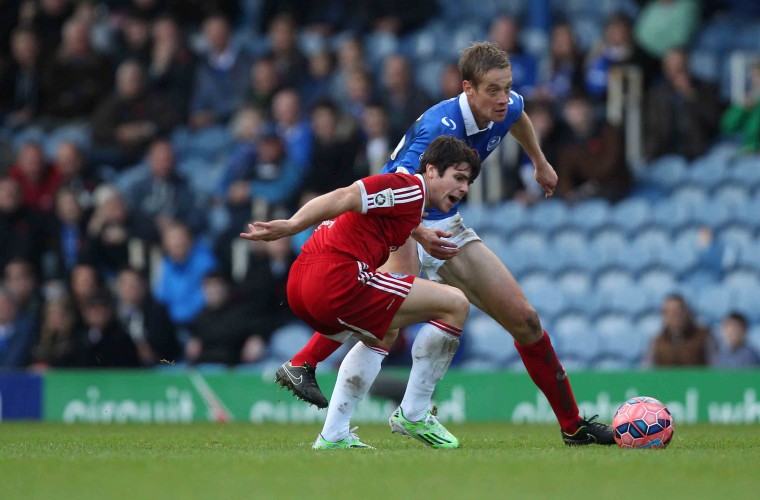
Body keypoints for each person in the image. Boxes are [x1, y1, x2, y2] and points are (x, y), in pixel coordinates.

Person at [277, 41, 614, 447]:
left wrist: (539, 162)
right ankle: (332, 417)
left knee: (525, 321)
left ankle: (573, 426)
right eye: (493, 90)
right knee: (379, 328)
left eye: (507, 88)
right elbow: (401, 191)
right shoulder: (440, 128)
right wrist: (418, 234)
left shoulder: (505, 105)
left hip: (447, 225)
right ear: (467, 88)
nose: (503, 99)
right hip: (403, 226)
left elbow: (520, 116)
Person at [241, 136, 479, 448]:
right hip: (335, 279)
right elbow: (346, 195)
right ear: (431, 171)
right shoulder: (409, 187)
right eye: (458, 178)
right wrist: (292, 224)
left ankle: (331, 427)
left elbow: (385, 217)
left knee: (384, 331)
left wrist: (420, 235)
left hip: (302, 283)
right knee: (456, 304)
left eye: (468, 182)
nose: (463, 189)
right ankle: (414, 413)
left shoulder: (409, 206)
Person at [644, 294, 717, 367]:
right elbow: (647, 371)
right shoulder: (657, 342)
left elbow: (716, 369)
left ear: (686, 313)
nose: (674, 316)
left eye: (677, 311)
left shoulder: (703, 337)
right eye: (668, 312)